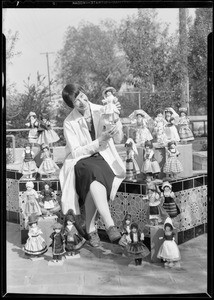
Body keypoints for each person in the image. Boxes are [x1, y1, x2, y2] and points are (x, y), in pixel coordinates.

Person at [59, 83, 126, 247]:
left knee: (94, 180)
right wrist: (99, 141)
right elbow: (76, 152)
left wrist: (116, 119)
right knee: (92, 170)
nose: (82, 101)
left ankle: (90, 228)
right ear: (72, 105)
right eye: (77, 101)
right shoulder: (69, 122)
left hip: (103, 157)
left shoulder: (102, 110)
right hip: (80, 161)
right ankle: (110, 226)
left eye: (82, 95)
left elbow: (118, 139)